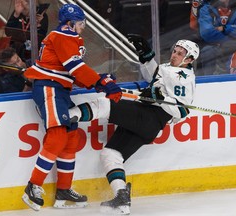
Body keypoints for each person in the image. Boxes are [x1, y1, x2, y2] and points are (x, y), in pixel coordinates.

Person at [69, 35, 200, 214]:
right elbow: (154, 76)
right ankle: (122, 197)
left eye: (180, 54)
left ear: (190, 59)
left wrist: (161, 98)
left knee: (105, 103)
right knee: (110, 154)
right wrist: (146, 55)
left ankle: (65, 116)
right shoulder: (169, 68)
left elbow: (182, 112)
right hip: (147, 123)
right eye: (175, 51)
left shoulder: (184, 77)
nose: (174, 55)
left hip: (151, 117)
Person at [22, 3, 122, 211]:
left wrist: (100, 80)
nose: (82, 27)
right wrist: (99, 83)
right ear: (70, 23)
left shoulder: (69, 38)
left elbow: (72, 72)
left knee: (70, 135)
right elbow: (75, 67)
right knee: (58, 134)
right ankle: (34, 185)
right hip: (49, 88)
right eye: (80, 23)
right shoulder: (63, 36)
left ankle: (64, 190)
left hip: (60, 89)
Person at [197, 0, 236, 75]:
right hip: (215, 46)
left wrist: (225, 28)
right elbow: (207, 33)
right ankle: (209, 82)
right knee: (207, 51)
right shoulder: (206, 9)